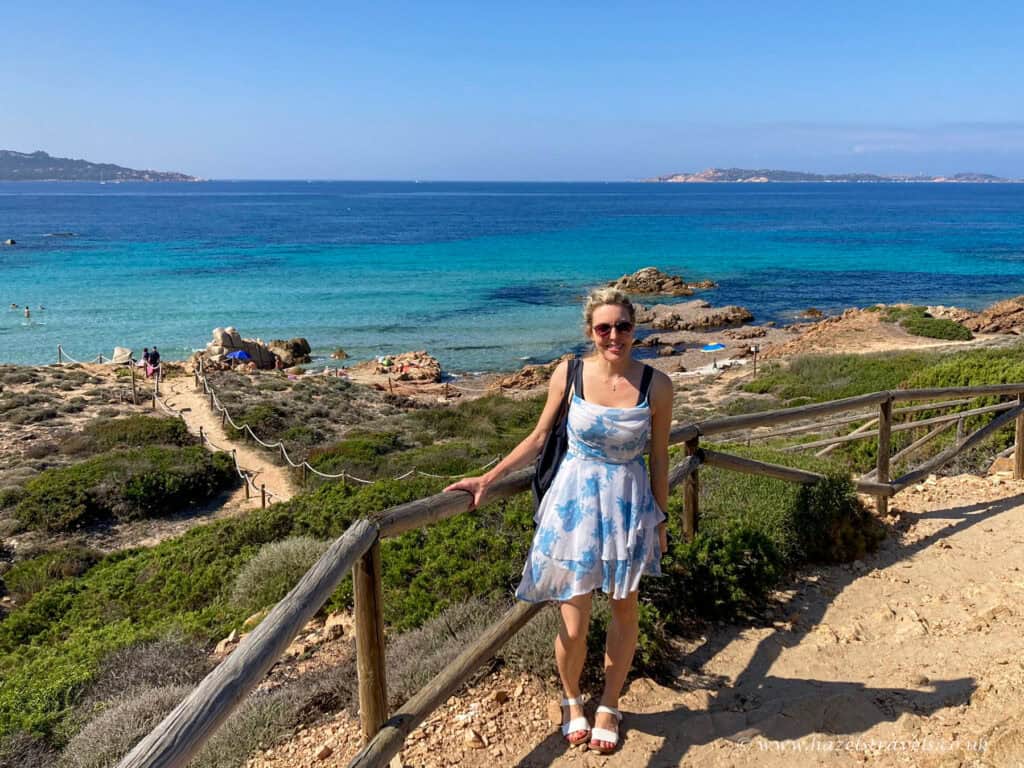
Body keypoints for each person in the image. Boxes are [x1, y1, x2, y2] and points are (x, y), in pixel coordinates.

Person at [445, 287, 672, 754]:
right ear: (591, 331)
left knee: (624, 610)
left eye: (623, 326)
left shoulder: (658, 384)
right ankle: (571, 700)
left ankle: (609, 702)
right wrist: (489, 477)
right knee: (573, 618)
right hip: (573, 507)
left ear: (635, 329)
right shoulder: (569, 372)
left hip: (628, 506)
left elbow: (661, 461)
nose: (614, 335)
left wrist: (661, 520)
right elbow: (539, 435)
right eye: (604, 327)